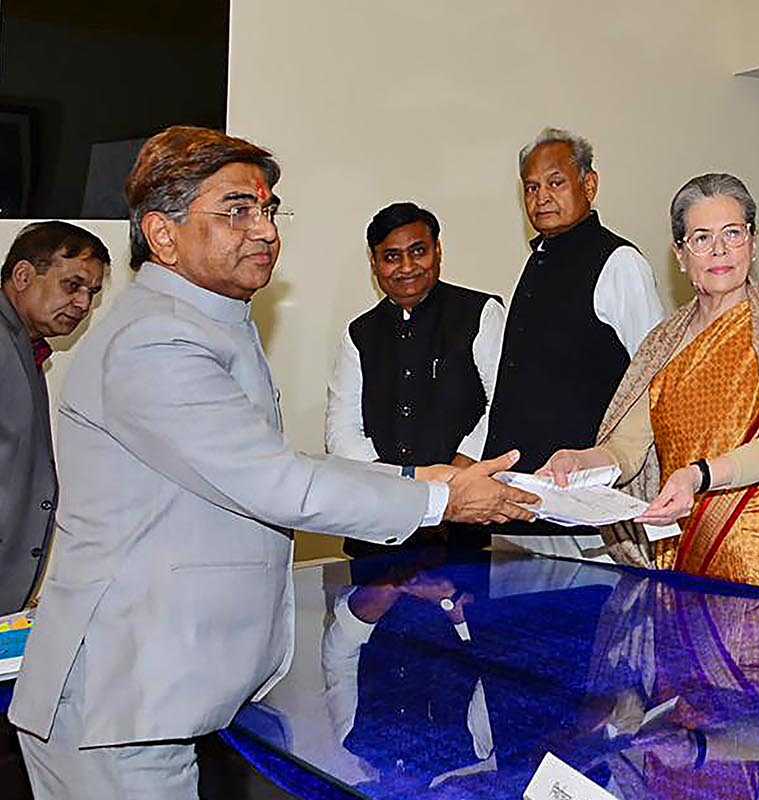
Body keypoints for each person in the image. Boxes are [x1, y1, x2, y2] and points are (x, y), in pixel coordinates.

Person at [7, 126, 539, 800]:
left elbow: (268, 464)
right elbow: (276, 483)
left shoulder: (206, 322)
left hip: (151, 696)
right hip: (117, 707)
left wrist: (418, 479)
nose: (264, 230)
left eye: (267, 208)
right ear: (162, 235)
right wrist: (443, 502)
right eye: (236, 210)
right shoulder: (156, 340)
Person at [538, 173, 759, 614]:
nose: (719, 250)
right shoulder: (663, 343)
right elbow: (627, 446)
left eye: (733, 234)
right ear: (680, 255)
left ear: (753, 244)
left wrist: (698, 475)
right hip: (681, 555)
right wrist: (580, 462)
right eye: (701, 238)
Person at [480, 127, 665, 559]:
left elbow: (656, 380)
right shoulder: (538, 262)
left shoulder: (620, 263)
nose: (542, 196)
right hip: (521, 506)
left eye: (556, 182)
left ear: (590, 184)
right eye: (531, 187)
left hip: (584, 509)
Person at [326, 202, 505, 557]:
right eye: (391, 257)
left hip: (463, 522)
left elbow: (502, 405)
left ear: (438, 251)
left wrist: (456, 477)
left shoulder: (481, 313)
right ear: (375, 264)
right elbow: (341, 432)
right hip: (379, 524)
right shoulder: (359, 334)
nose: (407, 267)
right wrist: (400, 487)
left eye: (418, 252)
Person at [0, 222, 107, 613]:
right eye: (72, 286)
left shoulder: (23, 346)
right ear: (24, 275)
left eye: (92, 294)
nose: (83, 304)